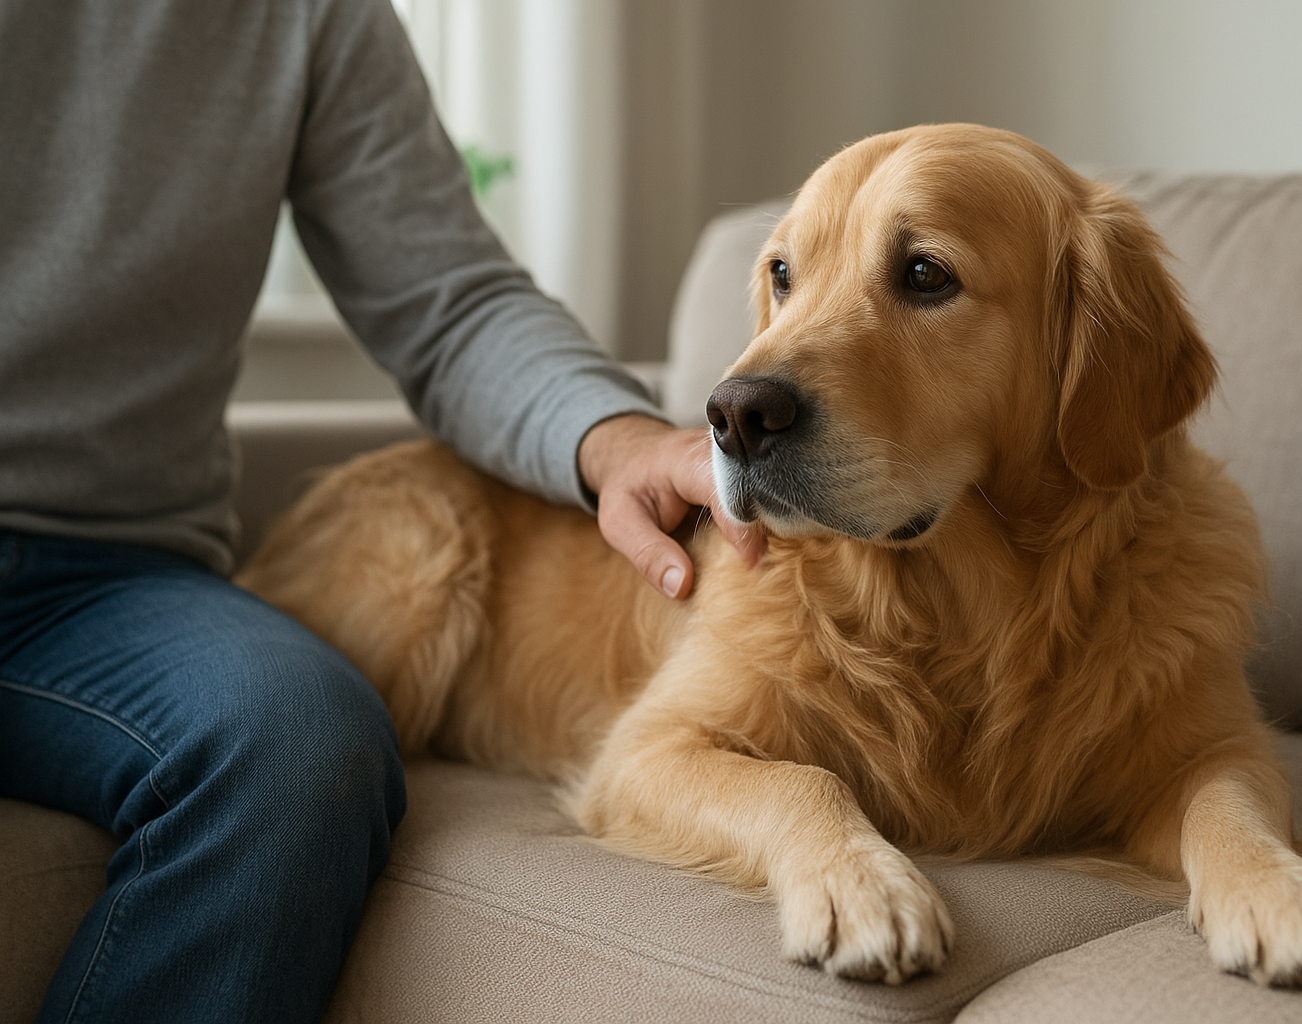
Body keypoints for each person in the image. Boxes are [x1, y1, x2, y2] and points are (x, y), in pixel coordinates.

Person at [0, 1, 760, 1020]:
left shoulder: (309, 17)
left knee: (300, 743)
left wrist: (619, 439)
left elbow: (450, 300)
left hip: (108, 582)